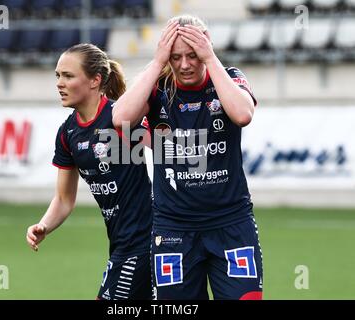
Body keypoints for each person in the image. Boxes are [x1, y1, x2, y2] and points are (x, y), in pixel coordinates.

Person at [112, 15, 263, 300]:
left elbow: (243, 115)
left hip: (231, 223)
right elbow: (120, 119)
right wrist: (157, 62)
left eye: (193, 55)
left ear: (206, 48)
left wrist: (211, 58)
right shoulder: (159, 88)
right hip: (173, 229)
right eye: (176, 56)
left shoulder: (229, 78)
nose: (184, 65)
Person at [26, 43, 153, 300]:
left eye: (68, 76)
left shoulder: (122, 116)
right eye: (58, 76)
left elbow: (172, 153)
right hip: (120, 241)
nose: (60, 83)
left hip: (146, 240)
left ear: (95, 80)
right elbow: (63, 198)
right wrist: (44, 225)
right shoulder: (67, 133)